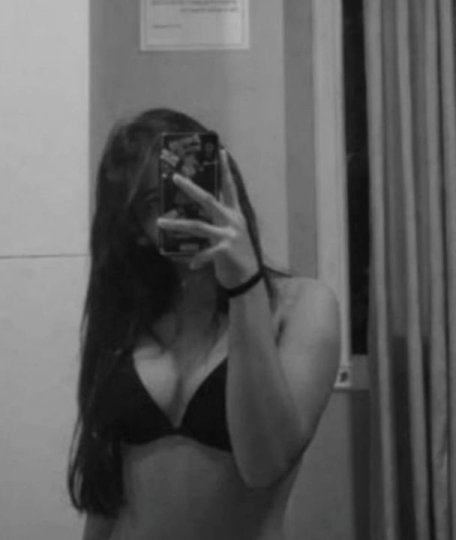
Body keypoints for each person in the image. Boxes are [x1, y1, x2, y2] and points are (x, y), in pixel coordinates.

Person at [67, 108, 341, 540]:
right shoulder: (129, 317)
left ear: (222, 183)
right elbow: (107, 499)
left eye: (188, 188)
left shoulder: (301, 306)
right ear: (136, 229)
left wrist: (244, 285)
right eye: (153, 202)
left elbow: (265, 463)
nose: (179, 211)